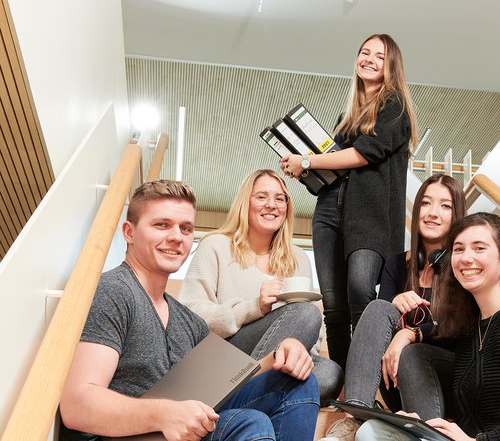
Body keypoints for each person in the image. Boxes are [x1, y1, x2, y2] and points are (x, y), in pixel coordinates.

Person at [59, 179, 319, 441]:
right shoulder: (113, 292)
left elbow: (227, 382)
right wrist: (163, 414)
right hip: (126, 434)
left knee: (300, 382)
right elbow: (77, 406)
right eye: (161, 225)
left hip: (179, 427)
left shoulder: (188, 321)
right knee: (247, 422)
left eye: (185, 228)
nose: (175, 237)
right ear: (129, 232)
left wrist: (279, 354)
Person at [354, 212, 500, 441]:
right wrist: (414, 425)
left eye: (479, 248)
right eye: (459, 249)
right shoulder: (470, 325)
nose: (466, 258)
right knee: (371, 432)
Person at [281, 33, 418, 371]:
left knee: (360, 290)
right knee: (333, 305)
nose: (368, 59)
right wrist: (307, 172)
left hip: (369, 216)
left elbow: (363, 155)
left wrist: (309, 161)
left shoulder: (394, 105)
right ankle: (342, 383)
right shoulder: (348, 117)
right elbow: (337, 169)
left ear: (391, 66)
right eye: (364, 52)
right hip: (329, 211)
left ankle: (363, 380)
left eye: (378, 55)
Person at [322, 174, 465, 439]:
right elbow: (378, 330)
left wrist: (408, 334)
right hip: (398, 377)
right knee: (379, 307)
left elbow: (461, 331)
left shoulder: (463, 265)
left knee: (412, 353)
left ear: (457, 215)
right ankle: (355, 415)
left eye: (445, 206)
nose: (433, 213)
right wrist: (395, 305)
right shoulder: (397, 264)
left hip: (447, 378)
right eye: (426, 203)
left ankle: (426, 433)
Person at [179, 169, 343, 400]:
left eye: (279, 198)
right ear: (245, 203)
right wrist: (253, 307)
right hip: (223, 358)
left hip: (278, 360)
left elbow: (307, 333)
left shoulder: (298, 258)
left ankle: (246, 394)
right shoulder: (215, 245)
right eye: (262, 197)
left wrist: (304, 355)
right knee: (305, 313)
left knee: (330, 374)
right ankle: (236, 391)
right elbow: (190, 318)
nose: (272, 205)